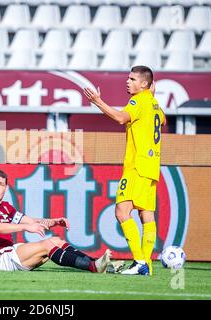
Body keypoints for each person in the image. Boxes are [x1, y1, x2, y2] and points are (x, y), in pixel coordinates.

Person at [83, 66, 166, 276]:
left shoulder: (138, 101)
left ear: (144, 84)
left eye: (132, 79)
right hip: (152, 166)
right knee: (146, 215)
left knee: (122, 212)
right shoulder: (153, 102)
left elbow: (121, 118)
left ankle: (139, 263)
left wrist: (98, 102)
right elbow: (163, 120)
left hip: (137, 166)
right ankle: (146, 264)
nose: (127, 82)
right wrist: (152, 97)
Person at [0, 169, 119, 273]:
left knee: (56, 241)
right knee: (47, 244)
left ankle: (98, 263)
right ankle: (92, 267)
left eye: (1, 184)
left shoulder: (6, 207)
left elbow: (31, 220)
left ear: (6, 188)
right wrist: (25, 227)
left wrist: (53, 221)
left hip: (11, 253)